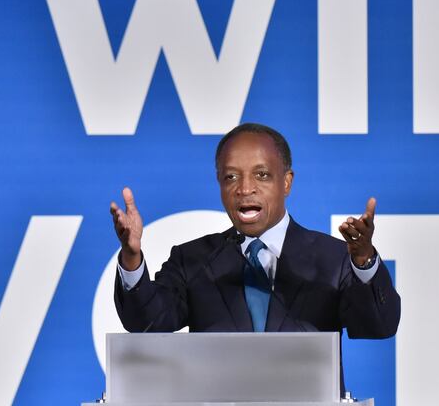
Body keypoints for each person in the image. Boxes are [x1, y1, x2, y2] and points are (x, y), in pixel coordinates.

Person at [110, 123, 400, 339]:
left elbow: (379, 326)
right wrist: (132, 257)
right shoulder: (192, 260)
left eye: (261, 175)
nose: (245, 188)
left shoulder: (333, 259)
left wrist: (364, 261)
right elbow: (145, 323)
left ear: (286, 182)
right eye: (231, 177)